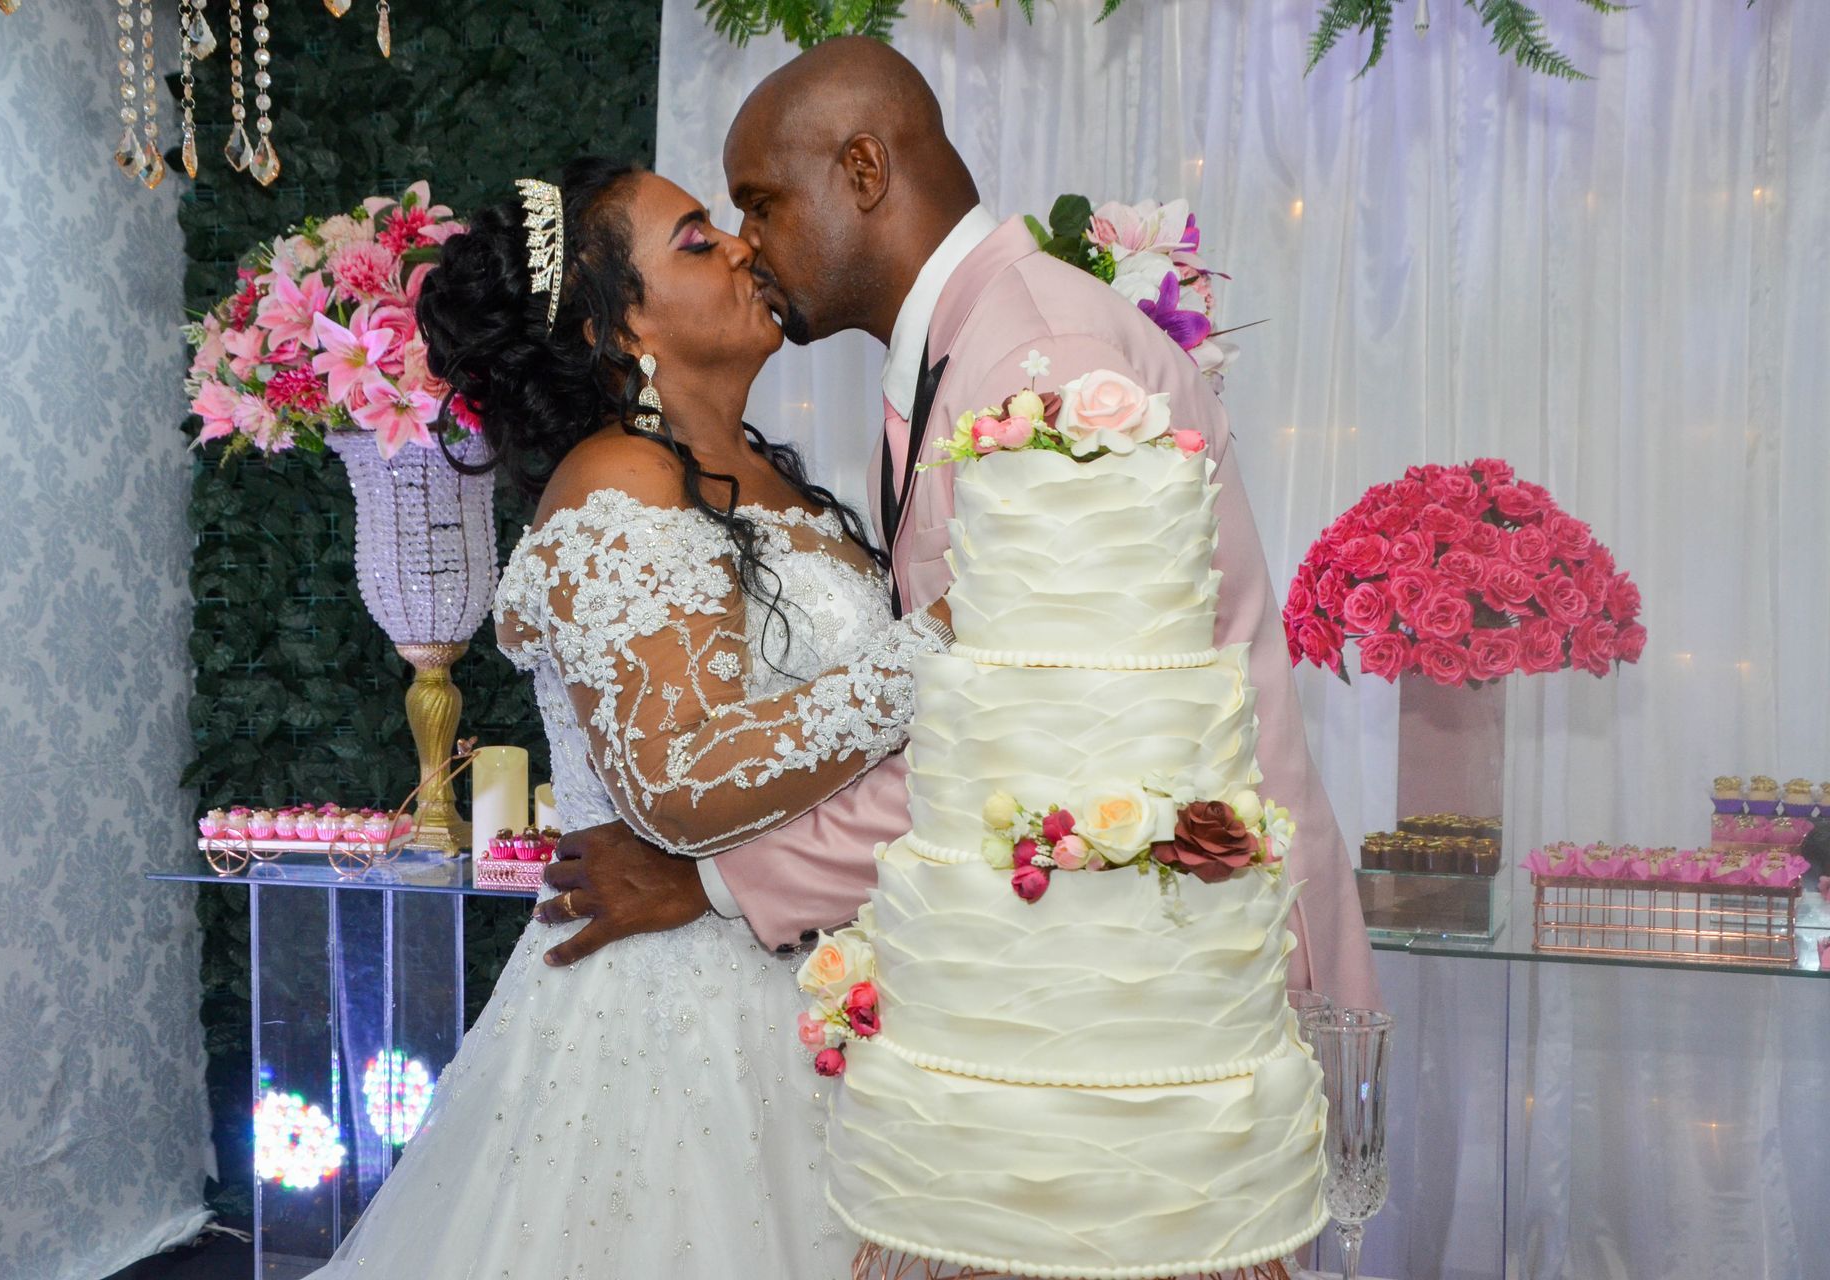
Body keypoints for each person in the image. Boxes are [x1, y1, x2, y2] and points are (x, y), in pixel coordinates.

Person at [545, 38, 1380, 1012]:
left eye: (761, 203)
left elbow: (1042, 727)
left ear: (863, 170)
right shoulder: (949, 375)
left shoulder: (1044, 361)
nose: (748, 243)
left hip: (1189, 969)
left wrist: (721, 880)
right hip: (1072, 959)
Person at [306, 157, 951, 1277]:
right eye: (698, 240)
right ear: (619, 331)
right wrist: (943, 645)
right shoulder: (621, 481)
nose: (745, 246)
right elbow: (682, 783)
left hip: (820, 985)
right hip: (681, 1025)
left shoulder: (771, 477)